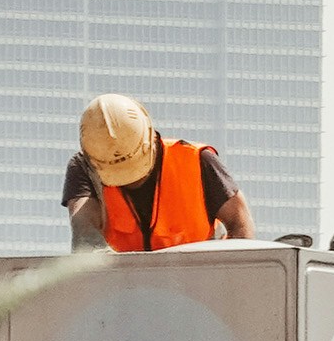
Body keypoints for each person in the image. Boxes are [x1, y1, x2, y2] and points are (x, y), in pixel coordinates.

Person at [62, 93, 254, 252]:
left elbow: (240, 222)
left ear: (149, 136)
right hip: (125, 289)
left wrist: (225, 277)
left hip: (197, 284)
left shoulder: (197, 160)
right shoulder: (84, 169)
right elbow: (85, 234)